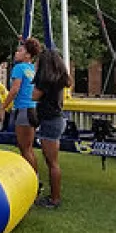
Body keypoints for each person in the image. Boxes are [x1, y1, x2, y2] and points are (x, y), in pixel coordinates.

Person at [32, 49, 72, 209]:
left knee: (52, 162)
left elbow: (34, 96)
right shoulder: (59, 79)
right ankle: (54, 197)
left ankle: (54, 199)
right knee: (52, 162)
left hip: (50, 121)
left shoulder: (45, 81)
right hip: (56, 119)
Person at [0, 38, 42, 172]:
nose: (16, 53)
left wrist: (3, 107)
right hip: (33, 109)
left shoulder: (19, 68)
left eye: (20, 50)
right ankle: (33, 177)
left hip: (23, 109)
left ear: (27, 55)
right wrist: (25, 41)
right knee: (28, 148)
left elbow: (15, 89)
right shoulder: (32, 68)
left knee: (25, 148)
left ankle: (34, 179)